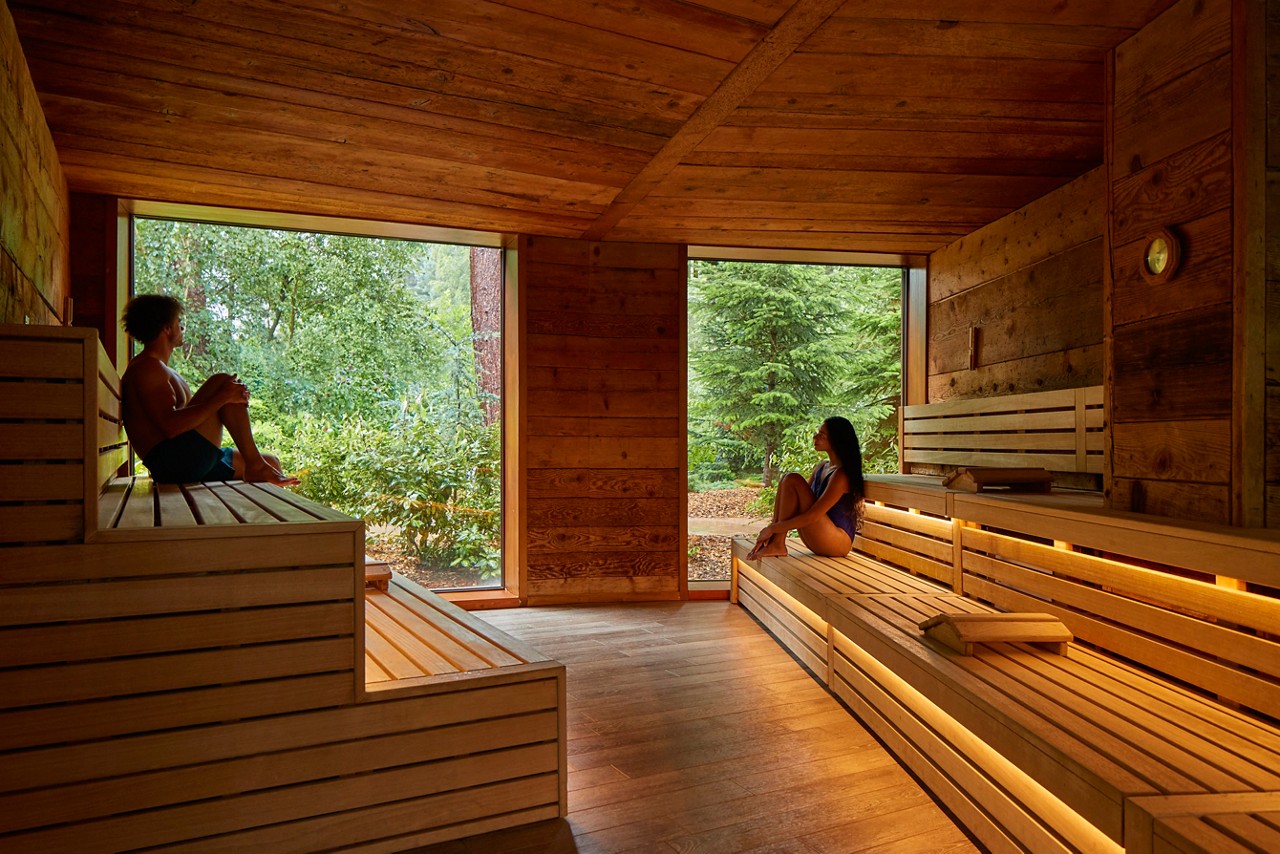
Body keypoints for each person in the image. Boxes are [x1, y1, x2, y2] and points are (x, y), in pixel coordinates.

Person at [120, 294, 298, 485]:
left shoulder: (161, 369)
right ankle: (255, 466)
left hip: (184, 459)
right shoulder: (147, 369)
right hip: (174, 464)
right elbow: (170, 427)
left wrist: (226, 396)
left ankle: (257, 467)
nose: (182, 328)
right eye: (178, 322)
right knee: (221, 382)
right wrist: (223, 397)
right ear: (166, 328)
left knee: (272, 462)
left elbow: (185, 423)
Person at [747, 416, 864, 560]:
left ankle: (777, 543)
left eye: (822, 435)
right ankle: (776, 543)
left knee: (792, 479)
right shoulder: (822, 467)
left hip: (837, 542)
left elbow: (813, 515)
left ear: (836, 440)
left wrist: (772, 529)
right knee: (788, 479)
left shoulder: (842, 475)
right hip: (820, 536)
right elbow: (798, 504)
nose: (815, 437)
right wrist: (773, 529)